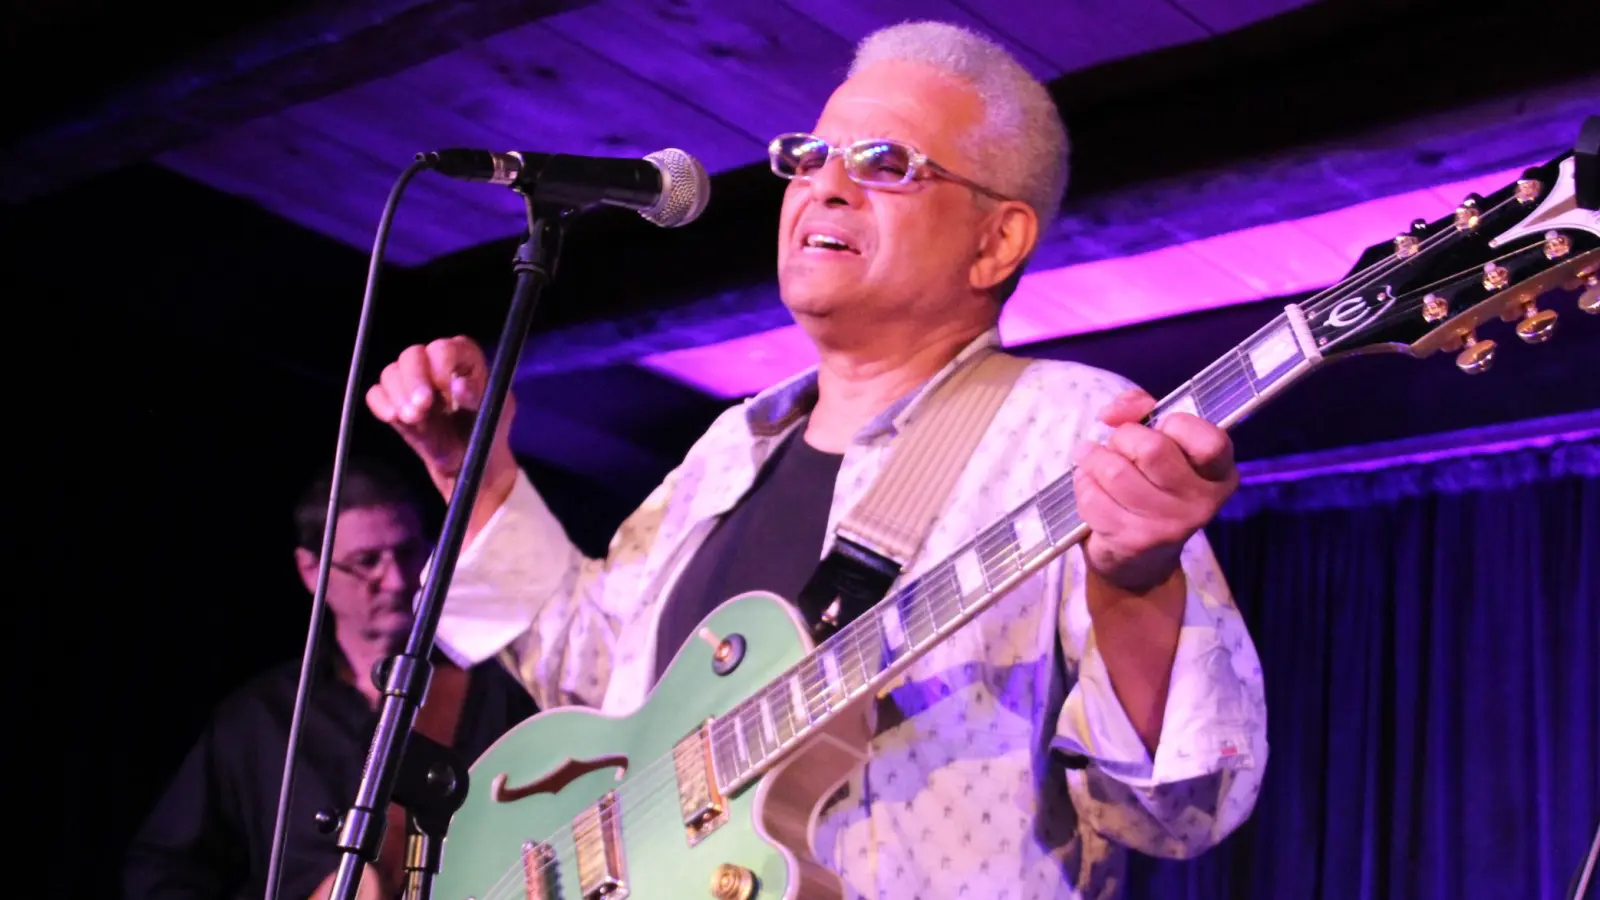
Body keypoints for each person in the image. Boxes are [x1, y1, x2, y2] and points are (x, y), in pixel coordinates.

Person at [367, 20, 1267, 899]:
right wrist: (470, 476)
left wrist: (1135, 584)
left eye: (884, 165)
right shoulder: (732, 446)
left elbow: (1177, 811)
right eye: (808, 156)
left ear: (998, 241)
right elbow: (600, 680)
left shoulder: (1074, 428)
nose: (824, 187)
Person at [123, 459, 538, 900]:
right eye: (367, 562)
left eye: (409, 551)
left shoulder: (495, 686)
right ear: (310, 571)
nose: (397, 580)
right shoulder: (259, 719)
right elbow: (159, 876)